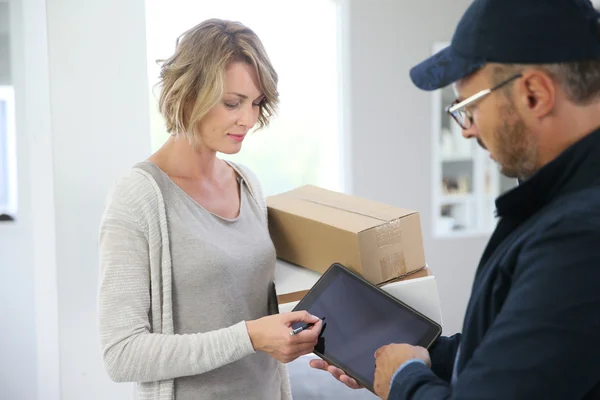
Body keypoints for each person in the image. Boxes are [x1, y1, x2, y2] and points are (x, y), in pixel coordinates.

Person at [310, 0, 600, 398]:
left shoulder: (579, 235)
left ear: (534, 94)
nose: (467, 130)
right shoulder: (560, 205)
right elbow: (528, 360)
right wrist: (432, 355)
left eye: (469, 108)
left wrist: (405, 379)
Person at [98, 19, 322, 400]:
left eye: (255, 103)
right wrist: (249, 337)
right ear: (188, 94)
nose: (248, 119)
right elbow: (121, 354)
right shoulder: (140, 196)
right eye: (233, 103)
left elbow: (255, 304)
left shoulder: (247, 183)